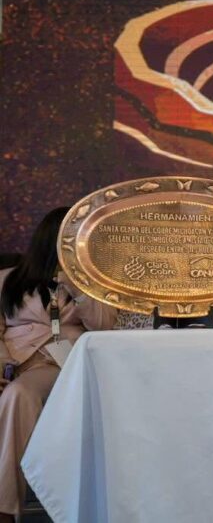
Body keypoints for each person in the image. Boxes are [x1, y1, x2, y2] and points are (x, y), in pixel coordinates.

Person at [0, 207, 117, 521]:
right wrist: (2, 363)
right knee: (15, 390)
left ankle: (4, 508)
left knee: (19, 393)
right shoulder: (7, 279)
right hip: (13, 361)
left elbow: (104, 326)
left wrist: (77, 286)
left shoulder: (93, 282)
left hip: (60, 366)